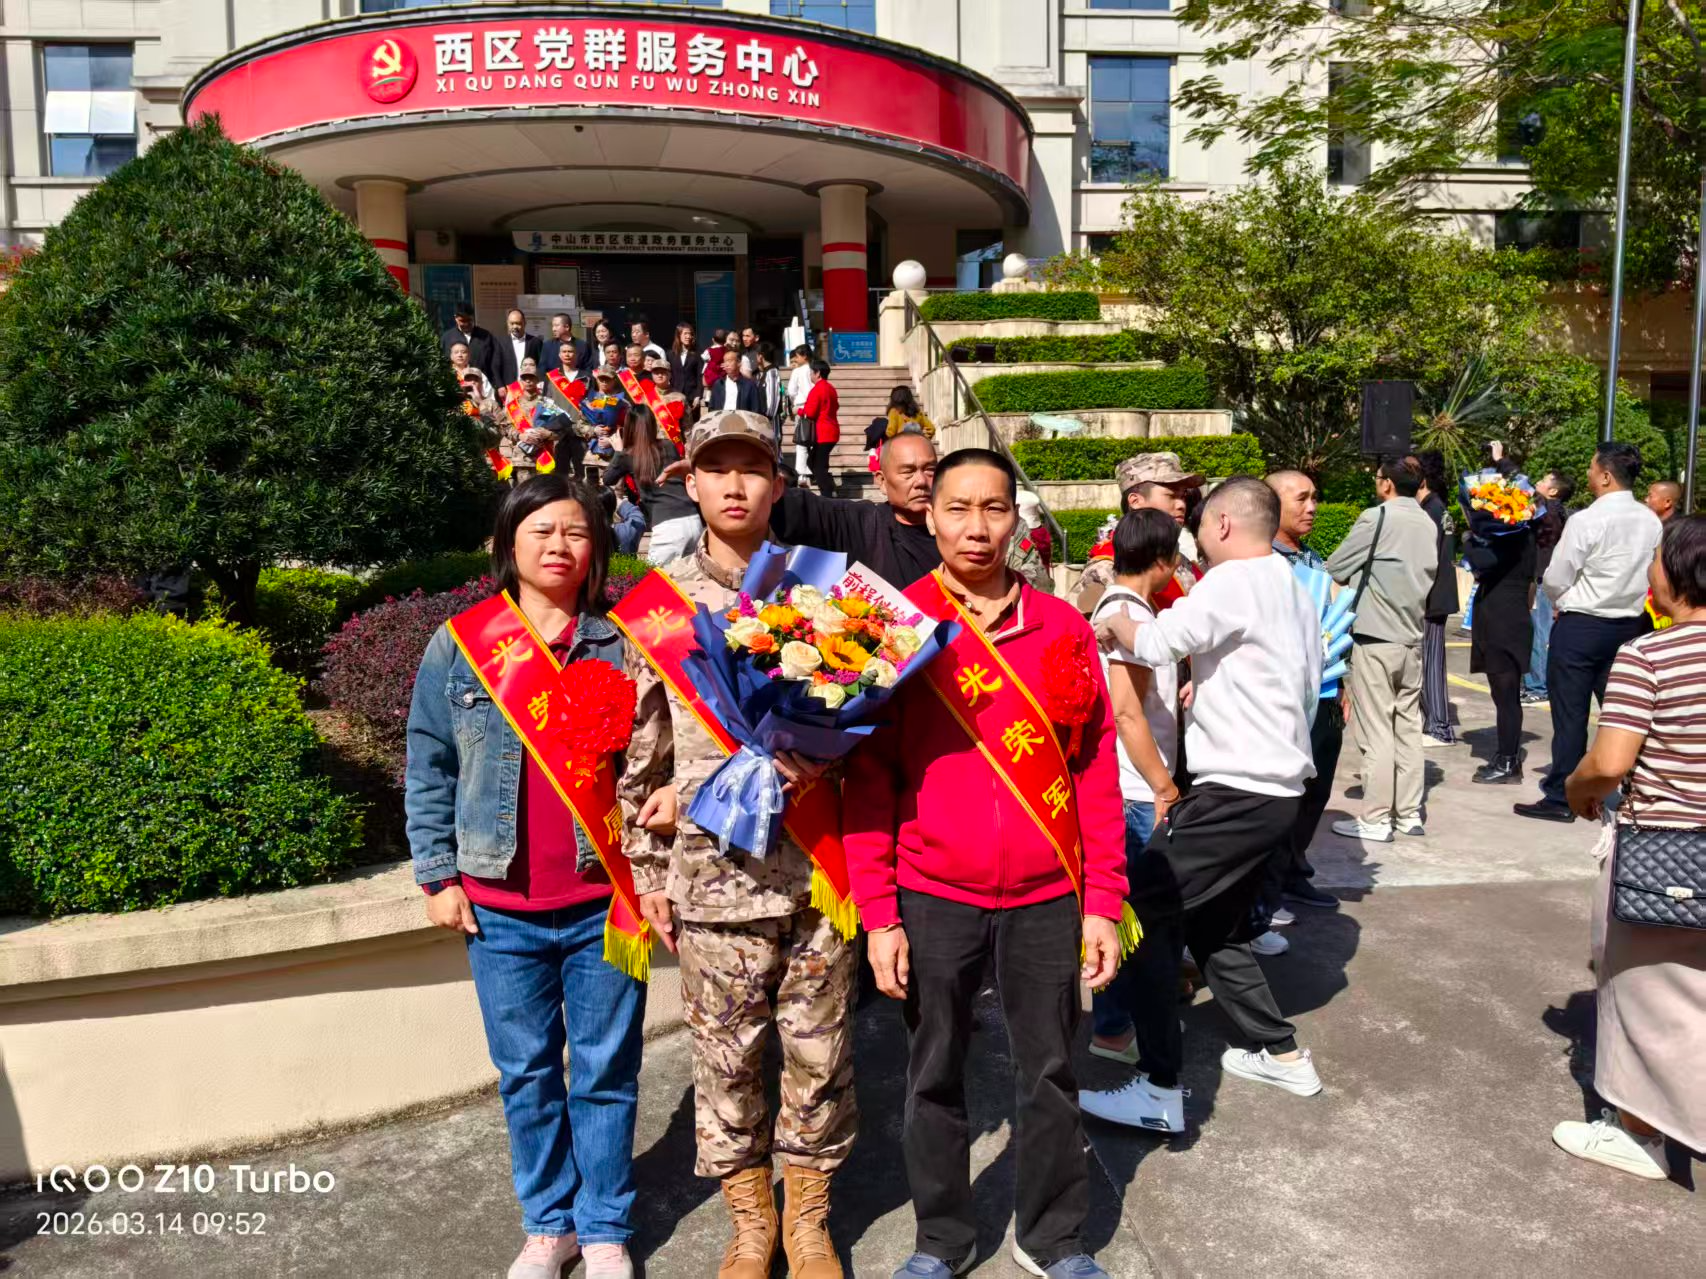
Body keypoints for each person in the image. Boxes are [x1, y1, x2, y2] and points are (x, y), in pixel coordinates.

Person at [845, 448, 1128, 1279]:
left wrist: (1104, 901)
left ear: (1018, 519)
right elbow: (869, 780)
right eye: (959, 507)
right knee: (932, 1073)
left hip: (1047, 895)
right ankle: (942, 1238)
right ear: (929, 515)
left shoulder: (1063, 627)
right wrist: (879, 914)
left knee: (1051, 1071)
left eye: (994, 508)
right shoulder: (892, 628)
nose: (977, 526)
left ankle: (1051, 1237)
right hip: (933, 893)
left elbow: (1093, 771)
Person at [406, 475, 664, 1279]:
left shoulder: (625, 644)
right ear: (508, 543)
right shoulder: (461, 643)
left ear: (597, 548)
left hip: (603, 902)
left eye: (576, 532)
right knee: (526, 1075)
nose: (559, 545)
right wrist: (437, 875)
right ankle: (549, 1224)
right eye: (542, 530)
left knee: (607, 1072)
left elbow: (659, 760)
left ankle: (605, 1226)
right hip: (498, 906)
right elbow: (428, 763)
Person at [620, 411, 856, 1279]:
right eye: (715, 468)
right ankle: (751, 1223)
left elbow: (866, 724)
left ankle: (809, 1220)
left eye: (751, 469)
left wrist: (819, 761)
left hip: (816, 871)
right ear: (690, 482)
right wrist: (649, 872)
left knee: (820, 1055)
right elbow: (641, 755)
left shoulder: (823, 588)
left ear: (777, 484)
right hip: (712, 878)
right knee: (727, 1059)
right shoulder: (660, 603)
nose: (734, 484)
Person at [1080, 478, 1324, 1133]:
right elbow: (1300, 682)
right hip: (1278, 790)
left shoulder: (1231, 579)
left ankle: (1159, 1086)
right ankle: (1281, 1052)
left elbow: (1156, 641)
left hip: (1236, 789)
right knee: (1213, 926)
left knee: (1141, 910)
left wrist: (1113, 620)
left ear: (1221, 524)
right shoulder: (1290, 587)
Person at [1552, 514, 1706, 1180]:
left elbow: (1610, 762)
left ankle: (1641, 1134)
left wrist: (1575, 787)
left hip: (1666, 854)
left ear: (1677, 572)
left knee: (1640, 990)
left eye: (1655, 559)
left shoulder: (1649, 655)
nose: (1649, 571)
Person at [1082, 509, 1183, 1072]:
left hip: (1131, 783)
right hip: (1134, 788)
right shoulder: (1127, 614)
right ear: (1164, 560)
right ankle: (1114, 1027)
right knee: (1129, 916)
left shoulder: (1120, 609)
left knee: (1126, 912)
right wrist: (1163, 786)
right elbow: (1126, 712)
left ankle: (1116, 1022)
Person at [1516, 442, 1664, 823]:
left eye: (1592, 468)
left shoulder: (1587, 520)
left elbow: (1557, 576)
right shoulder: (1650, 520)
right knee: (1627, 713)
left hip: (1583, 624)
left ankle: (1562, 795)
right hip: (1630, 627)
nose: (1588, 474)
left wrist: (1561, 600)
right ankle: (1637, 788)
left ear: (1606, 476)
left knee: (1571, 714)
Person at [1325, 458, 1438, 841]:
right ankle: (1408, 813)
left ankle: (1375, 818)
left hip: (1375, 639)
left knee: (1376, 731)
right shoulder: (1426, 521)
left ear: (1386, 483)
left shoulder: (1377, 518)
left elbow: (1337, 566)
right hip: (1412, 639)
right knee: (1408, 727)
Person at [1263, 470, 1342, 909]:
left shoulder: (1313, 560)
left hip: (1324, 695)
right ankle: (1266, 887)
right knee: (1281, 795)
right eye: (1301, 499)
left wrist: (1342, 684)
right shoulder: (1260, 563)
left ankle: (1294, 870)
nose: (1312, 507)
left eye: (1315, 498)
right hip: (1283, 699)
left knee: (1317, 788)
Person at [767, 423, 941, 588]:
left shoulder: (953, 531)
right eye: (908, 472)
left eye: (930, 470)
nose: (921, 481)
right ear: (882, 481)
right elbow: (799, 508)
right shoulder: (863, 526)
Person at [1461, 460, 1537, 785]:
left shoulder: (1509, 538)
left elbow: (1482, 563)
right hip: (1510, 618)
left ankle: (1508, 762)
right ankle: (1506, 756)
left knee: (1505, 696)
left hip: (1503, 623)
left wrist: (1469, 537)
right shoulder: (1523, 536)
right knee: (1504, 696)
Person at [1415, 450, 1461, 747]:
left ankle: (1439, 728)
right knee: (1429, 661)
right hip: (1437, 595)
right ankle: (1434, 723)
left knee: (1430, 663)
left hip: (1431, 597)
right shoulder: (1437, 507)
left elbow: (1425, 558)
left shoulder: (1430, 511)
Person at [603, 405, 689, 557]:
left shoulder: (627, 455)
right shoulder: (669, 446)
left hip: (667, 526)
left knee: (655, 573)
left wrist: (618, 452)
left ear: (629, 428)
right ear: (652, 424)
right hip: (691, 518)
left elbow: (607, 479)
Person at [1523, 470, 1575, 704]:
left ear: (1553, 491)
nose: (1538, 482)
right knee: (1536, 631)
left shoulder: (1549, 510)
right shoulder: (1554, 511)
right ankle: (1534, 683)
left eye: (1544, 481)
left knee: (1538, 633)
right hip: (1541, 579)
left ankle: (1538, 686)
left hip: (1543, 581)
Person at [798, 359, 841, 497]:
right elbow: (836, 406)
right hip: (832, 430)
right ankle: (830, 488)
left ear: (818, 373)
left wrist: (798, 411)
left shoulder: (817, 389)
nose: (810, 375)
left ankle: (828, 494)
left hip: (823, 433)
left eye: (812, 372)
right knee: (816, 462)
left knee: (817, 466)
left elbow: (810, 412)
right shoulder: (831, 388)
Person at [442, 301, 498, 384]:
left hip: (483, 384)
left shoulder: (486, 336)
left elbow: (494, 362)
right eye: (462, 321)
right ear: (455, 318)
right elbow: (443, 362)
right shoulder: (447, 338)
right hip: (455, 384)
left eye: (469, 320)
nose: (466, 324)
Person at [495, 309, 545, 391]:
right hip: (509, 389)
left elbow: (541, 365)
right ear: (508, 324)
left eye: (518, 323)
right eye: (512, 323)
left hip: (530, 388)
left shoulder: (535, 342)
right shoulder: (500, 342)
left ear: (524, 323)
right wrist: (500, 386)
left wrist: (540, 383)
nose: (515, 326)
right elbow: (495, 366)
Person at [786, 344, 815, 478]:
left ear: (804, 356)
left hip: (801, 407)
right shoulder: (815, 369)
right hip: (815, 406)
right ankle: (812, 469)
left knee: (801, 440)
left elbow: (791, 391)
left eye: (797, 356)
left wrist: (793, 403)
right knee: (814, 439)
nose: (796, 359)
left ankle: (801, 473)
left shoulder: (797, 372)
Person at [706, 347, 762, 415]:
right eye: (725, 361)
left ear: (739, 363)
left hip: (741, 420)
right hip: (721, 419)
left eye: (730, 361)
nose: (727, 364)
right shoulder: (719, 384)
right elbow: (711, 408)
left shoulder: (750, 386)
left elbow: (756, 410)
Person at [669, 321, 704, 417]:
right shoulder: (671, 354)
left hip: (692, 396)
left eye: (690, 334)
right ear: (679, 335)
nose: (688, 336)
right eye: (685, 334)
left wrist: (698, 395)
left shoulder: (697, 354)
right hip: (675, 395)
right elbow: (670, 375)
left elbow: (699, 376)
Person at [754, 343, 784, 444]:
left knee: (772, 447)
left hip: (770, 421)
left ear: (761, 356)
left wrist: (767, 418)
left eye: (757, 355)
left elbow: (773, 399)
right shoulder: (764, 373)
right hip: (763, 420)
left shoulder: (772, 372)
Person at [449, 339, 495, 406]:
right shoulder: (447, 374)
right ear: (451, 356)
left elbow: (490, 395)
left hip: (478, 409)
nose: (460, 355)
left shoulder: (478, 373)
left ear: (469, 355)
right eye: (456, 352)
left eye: (463, 352)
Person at [541, 313, 583, 378]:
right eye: (552, 326)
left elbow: (587, 369)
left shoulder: (582, 346)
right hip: (552, 382)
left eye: (556, 325)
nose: (553, 329)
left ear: (567, 327)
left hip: (576, 383)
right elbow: (542, 369)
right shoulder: (547, 346)